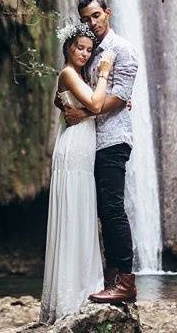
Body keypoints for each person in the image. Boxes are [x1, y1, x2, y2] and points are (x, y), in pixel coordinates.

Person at [60, 0, 139, 304]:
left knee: (113, 209)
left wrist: (86, 111)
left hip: (113, 140)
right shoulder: (88, 51)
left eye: (95, 15)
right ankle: (108, 278)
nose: (91, 23)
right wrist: (63, 100)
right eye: (85, 19)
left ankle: (125, 281)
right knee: (101, 212)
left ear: (108, 12)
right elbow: (74, 84)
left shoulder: (122, 49)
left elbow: (119, 96)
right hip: (90, 141)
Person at [39, 22, 115, 323]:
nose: (84, 53)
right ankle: (69, 298)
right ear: (68, 48)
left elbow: (94, 106)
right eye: (79, 48)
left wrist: (112, 100)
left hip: (83, 151)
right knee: (73, 215)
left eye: (88, 49)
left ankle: (83, 289)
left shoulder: (80, 77)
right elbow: (96, 102)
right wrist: (106, 72)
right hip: (73, 151)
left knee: (82, 214)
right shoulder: (69, 73)